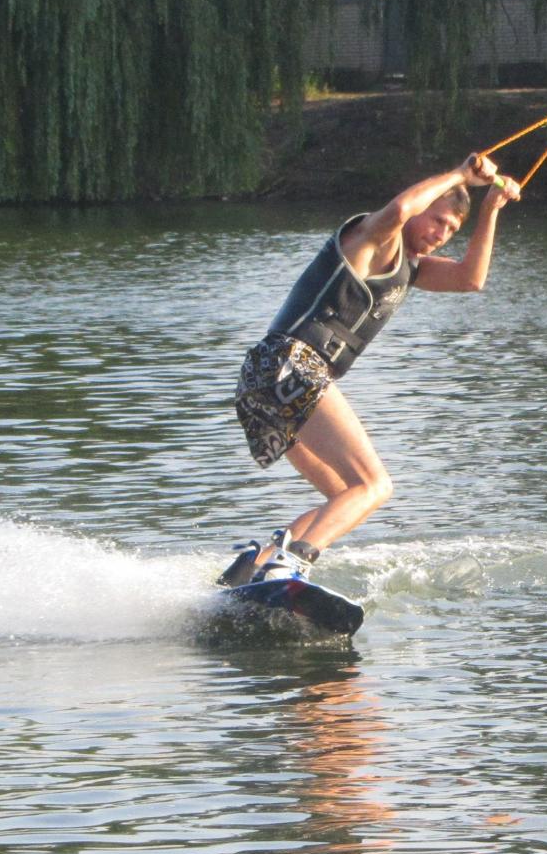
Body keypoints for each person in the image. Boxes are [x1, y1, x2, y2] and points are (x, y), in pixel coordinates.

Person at [222, 153, 521, 587]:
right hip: (292, 363)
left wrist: (491, 208)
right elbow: (398, 210)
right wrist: (460, 174)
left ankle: (252, 567)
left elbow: (470, 279)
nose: (441, 234)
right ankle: (290, 565)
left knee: (344, 495)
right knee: (375, 486)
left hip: (261, 379)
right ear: (421, 207)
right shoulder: (373, 238)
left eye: (451, 230)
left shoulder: (410, 267)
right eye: (437, 220)